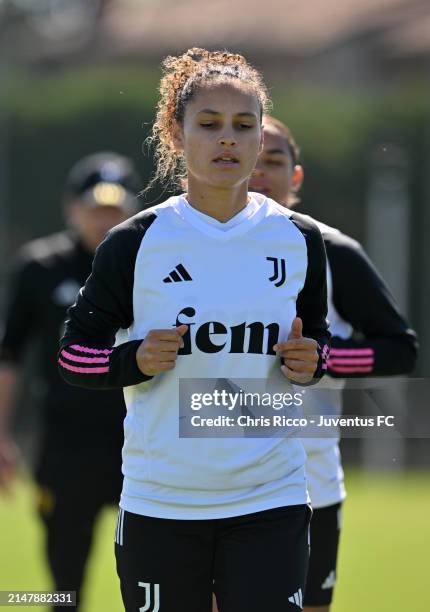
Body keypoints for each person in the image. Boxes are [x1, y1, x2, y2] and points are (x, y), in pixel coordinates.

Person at [58, 48, 331, 612]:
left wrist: (311, 361)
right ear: (177, 137)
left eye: (243, 126)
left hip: (271, 498)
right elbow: (74, 355)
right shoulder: (136, 242)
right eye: (208, 125)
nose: (226, 139)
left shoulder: (299, 238)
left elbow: (317, 345)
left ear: (260, 141)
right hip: (163, 504)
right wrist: (133, 359)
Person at [248, 115, 418, 612]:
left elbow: (399, 348)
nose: (260, 171)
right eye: (250, 159)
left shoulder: (332, 251)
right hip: (212, 482)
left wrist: (323, 358)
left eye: (274, 161)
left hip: (309, 487)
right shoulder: (184, 246)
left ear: (296, 177)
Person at [0, 152, 142, 610]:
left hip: (140, 445)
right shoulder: (40, 269)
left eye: (115, 209)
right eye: (95, 207)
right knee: (64, 587)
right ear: (71, 208)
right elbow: (9, 357)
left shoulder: (152, 270)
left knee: (155, 583)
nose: (104, 218)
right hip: (66, 447)